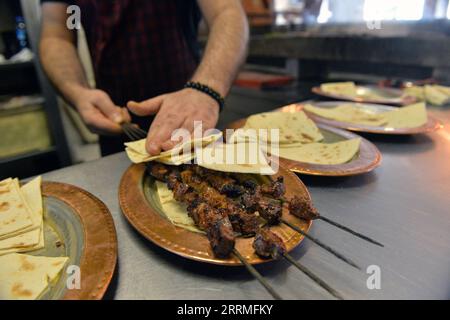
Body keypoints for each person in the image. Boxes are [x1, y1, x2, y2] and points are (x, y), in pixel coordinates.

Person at [39, 0, 249, 156]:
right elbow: (57, 35)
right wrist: (78, 93)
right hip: (116, 122)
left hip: (191, 115)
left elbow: (226, 12)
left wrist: (206, 88)